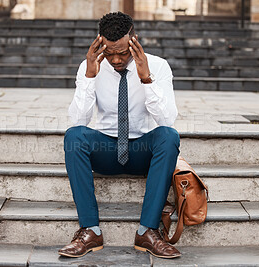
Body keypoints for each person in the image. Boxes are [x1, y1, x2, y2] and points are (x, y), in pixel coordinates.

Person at [59, 11, 180, 259]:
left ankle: (147, 232)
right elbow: (79, 120)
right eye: (109, 52)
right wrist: (90, 77)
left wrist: (147, 79)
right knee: (74, 136)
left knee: (168, 136)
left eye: (122, 53)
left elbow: (167, 120)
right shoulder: (90, 66)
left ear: (134, 41)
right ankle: (90, 231)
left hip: (141, 152)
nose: (115, 60)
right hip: (106, 150)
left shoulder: (157, 66)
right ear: (100, 43)